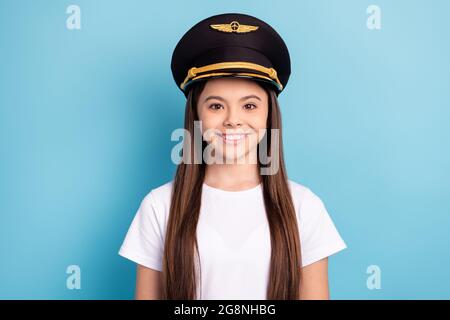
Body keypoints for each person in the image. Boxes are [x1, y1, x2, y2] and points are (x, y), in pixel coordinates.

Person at [118, 12, 347, 300]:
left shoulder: (304, 208)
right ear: (196, 115)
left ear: (269, 115)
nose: (233, 120)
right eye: (216, 106)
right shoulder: (159, 206)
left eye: (249, 106)